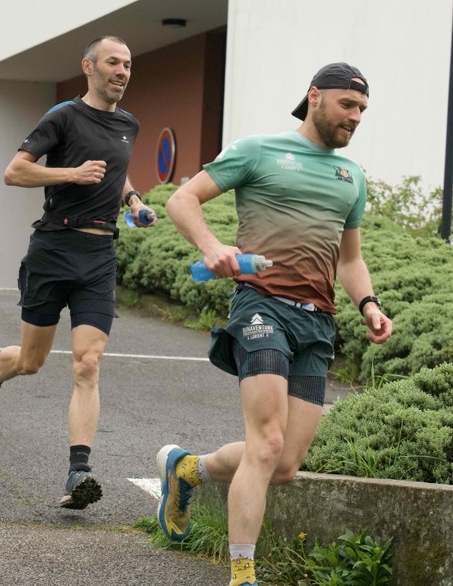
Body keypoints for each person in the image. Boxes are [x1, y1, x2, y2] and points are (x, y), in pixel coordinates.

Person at [155, 62, 393, 586]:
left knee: (283, 464)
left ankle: (188, 469)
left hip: (318, 323)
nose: (355, 117)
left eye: (362, 109)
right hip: (262, 307)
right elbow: (182, 198)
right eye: (347, 105)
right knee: (265, 442)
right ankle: (243, 575)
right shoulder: (258, 151)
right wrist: (212, 246)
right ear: (315, 97)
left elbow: (349, 259)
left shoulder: (351, 177)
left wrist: (369, 304)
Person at [0, 35, 155, 510]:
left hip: (99, 254)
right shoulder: (63, 117)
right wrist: (70, 173)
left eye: (128, 64)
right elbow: (14, 172)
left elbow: (115, 171)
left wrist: (133, 200)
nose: (122, 71)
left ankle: (78, 471)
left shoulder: (128, 124)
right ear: (89, 67)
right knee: (31, 361)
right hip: (53, 248)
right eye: (113, 62)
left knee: (88, 363)